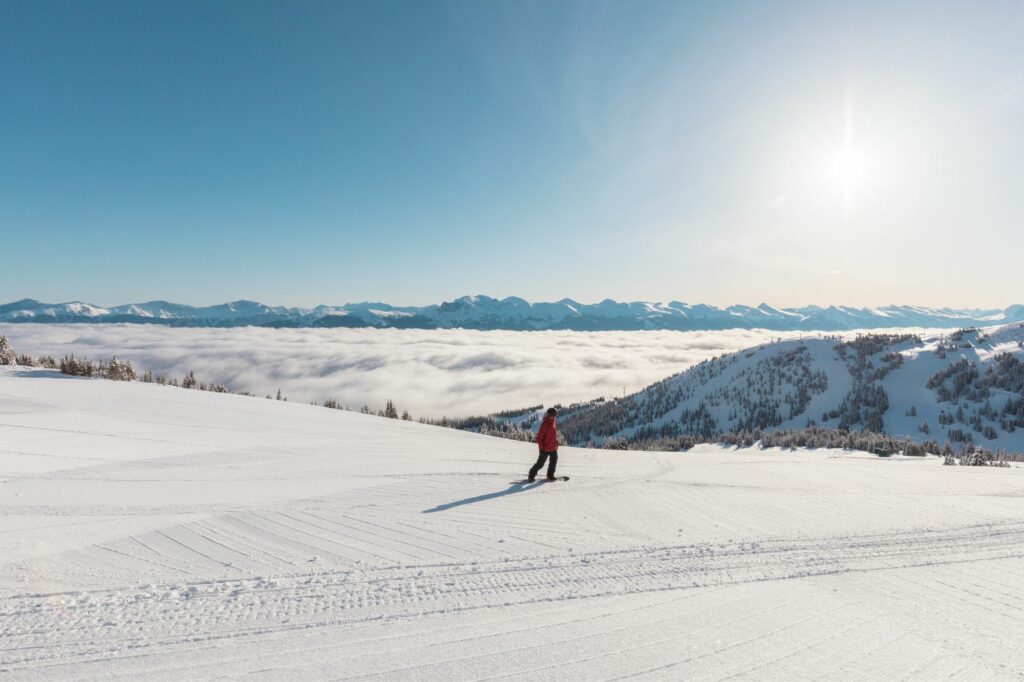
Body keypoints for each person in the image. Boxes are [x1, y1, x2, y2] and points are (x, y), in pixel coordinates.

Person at [529, 407, 559, 481]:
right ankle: (531, 475)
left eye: (554, 415)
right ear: (548, 415)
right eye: (550, 415)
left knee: (553, 463)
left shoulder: (553, 423)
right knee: (540, 464)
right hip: (545, 448)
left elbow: (553, 435)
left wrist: (556, 443)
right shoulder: (545, 424)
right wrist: (541, 448)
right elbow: (539, 438)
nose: (552, 416)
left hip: (553, 448)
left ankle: (550, 475)